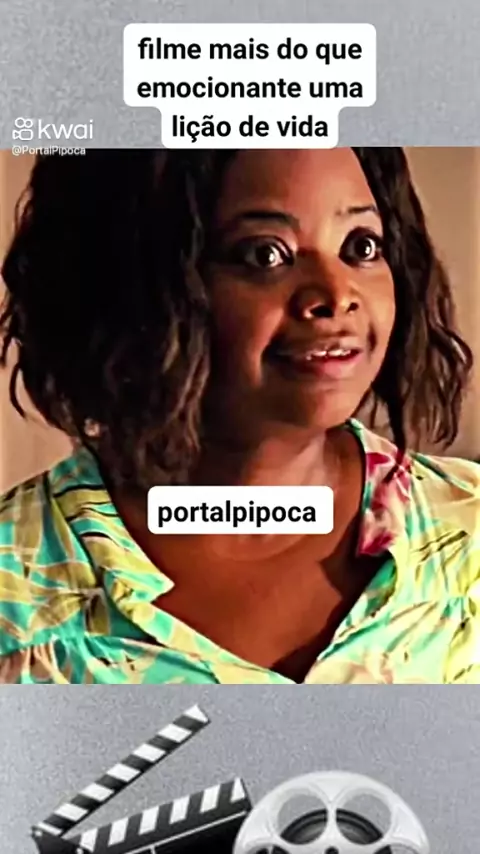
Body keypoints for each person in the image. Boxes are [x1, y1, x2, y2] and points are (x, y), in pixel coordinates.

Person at [0, 147, 478, 685]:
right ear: (133, 286)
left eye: (361, 247)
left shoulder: (469, 535)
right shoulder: (15, 597)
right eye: (264, 254)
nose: (336, 293)